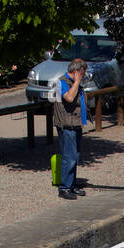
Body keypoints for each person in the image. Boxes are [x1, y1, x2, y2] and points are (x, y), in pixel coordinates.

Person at [53, 57, 88, 200]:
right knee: (69, 157)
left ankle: (71, 185)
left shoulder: (74, 83)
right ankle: (64, 188)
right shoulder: (62, 82)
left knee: (75, 156)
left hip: (76, 123)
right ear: (76, 71)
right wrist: (78, 81)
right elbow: (69, 98)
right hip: (67, 125)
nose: (83, 76)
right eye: (82, 73)